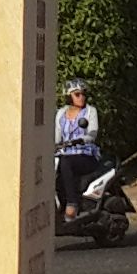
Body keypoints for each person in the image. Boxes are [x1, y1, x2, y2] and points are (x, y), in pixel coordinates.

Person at [53, 77, 102, 225]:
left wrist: (82, 139)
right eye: (77, 94)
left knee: (66, 162)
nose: (82, 97)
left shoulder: (90, 112)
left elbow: (92, 133)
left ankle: (72, 203)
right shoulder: (61, 113)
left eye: (83, 94)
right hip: (64, 154)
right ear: (69, 96)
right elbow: (57, 137)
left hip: (86, 154)